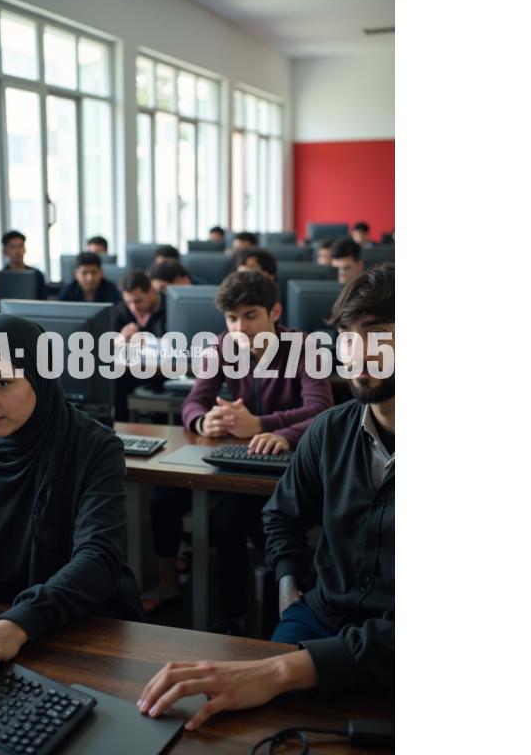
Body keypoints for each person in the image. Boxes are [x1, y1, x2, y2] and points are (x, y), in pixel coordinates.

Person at [137, 264, 395, 728]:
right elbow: (281, 516)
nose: (357, 353)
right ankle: (230, 614)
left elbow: (315, 404)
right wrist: (289, 587)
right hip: (318, 614)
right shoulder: (333, 431)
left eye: (376, 335)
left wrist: (263, 426)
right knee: (234, 727)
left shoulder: (305, 363)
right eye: (347, 337)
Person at [0, 314, 143, 682]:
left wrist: (18, 624)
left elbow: (99, 558)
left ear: (39, 375)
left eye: (2, 382)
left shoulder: (94, 446)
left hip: (80, 631)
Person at [145, 271, 334, 632]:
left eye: (250, 316)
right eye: (232, 319)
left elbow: (322, 410)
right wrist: (204, 422)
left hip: (284, 465)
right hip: (235, 459)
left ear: (274, 312)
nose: (240, 328)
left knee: (228, 522)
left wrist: (264, 426)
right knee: (163, 498)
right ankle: (177, 588)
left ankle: (242, 616)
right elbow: (193, 402)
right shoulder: (223, 346)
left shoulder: (304, 347)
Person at [112, 270, 168, 421]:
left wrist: (147, 342)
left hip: (163, 372)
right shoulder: (122, 309)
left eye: (138, 301)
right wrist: (121, 338)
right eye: (129, 302)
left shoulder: (171, 307)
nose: (133, 308)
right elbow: (109, 341)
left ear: (151, 292)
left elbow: (174, 343)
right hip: (131, 371)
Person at [56, 252, 122, 303]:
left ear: (101, 273)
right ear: (76, 274)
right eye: (84, 273)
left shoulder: (111, 289)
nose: (90, 278)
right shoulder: (69, 289)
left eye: (94, 272)